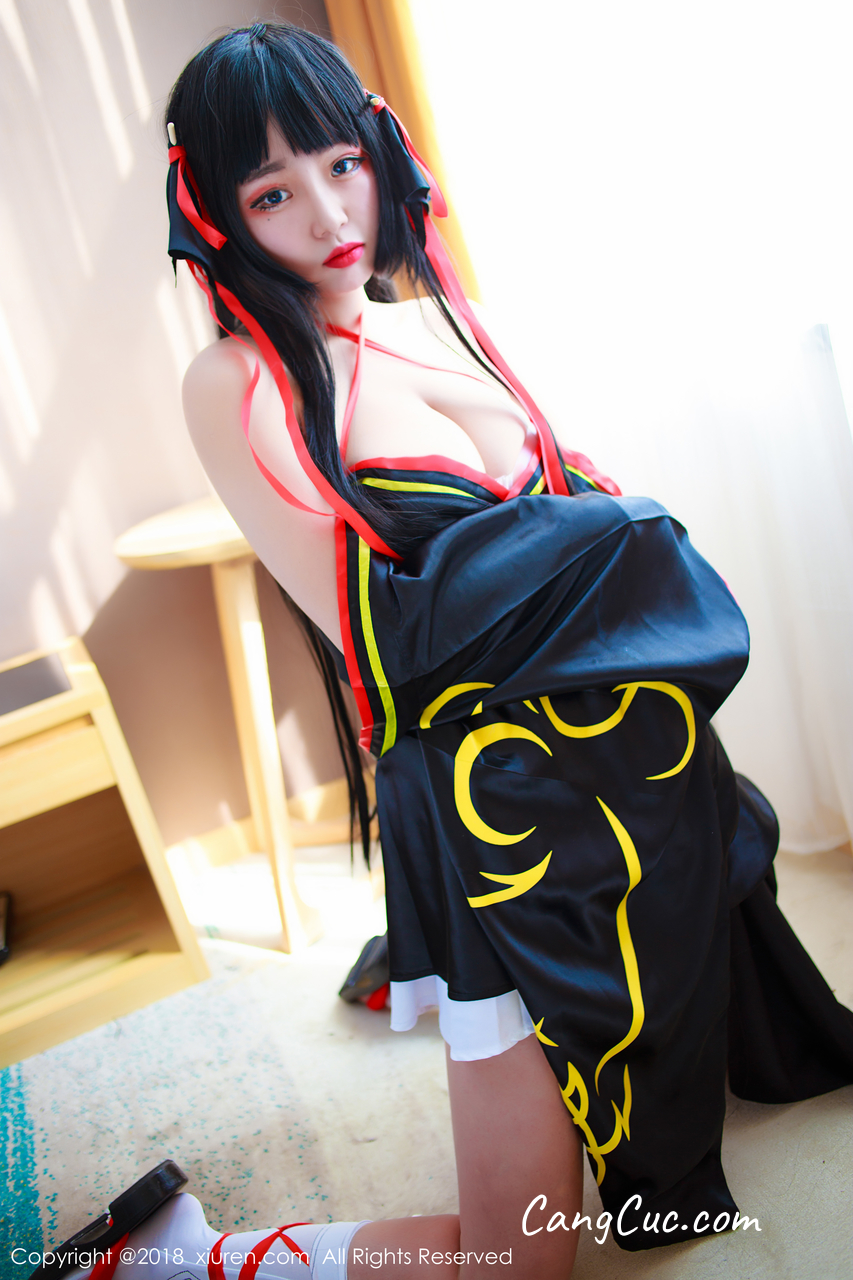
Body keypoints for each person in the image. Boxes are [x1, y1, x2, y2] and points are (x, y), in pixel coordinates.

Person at [51, 20, 853, 1280]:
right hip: (498, 812)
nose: (329, 213)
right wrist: (606, 538)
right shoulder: (238, 380)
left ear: (378, 151)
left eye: (339, 164)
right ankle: (180, 1252)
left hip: (631, 757)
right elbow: (378, 629)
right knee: (516, 1260)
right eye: (272, 191)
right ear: (219, 218)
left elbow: (573, 505)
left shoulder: (442, 318)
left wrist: (599, 532)